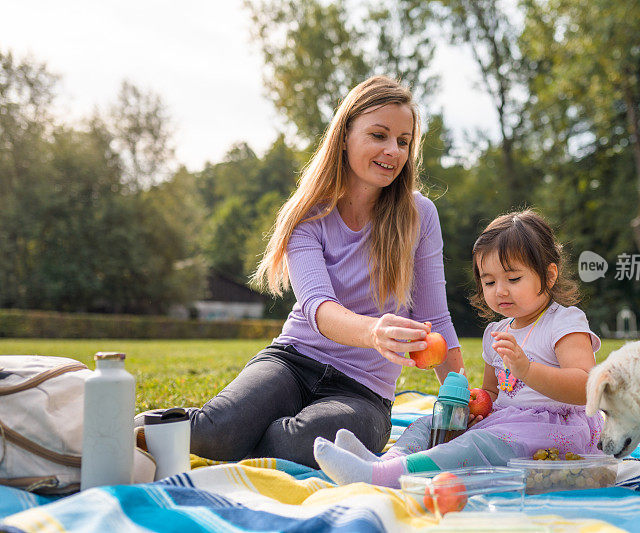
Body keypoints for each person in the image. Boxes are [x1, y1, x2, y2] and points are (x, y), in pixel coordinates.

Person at [137, 76, 463, 468]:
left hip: (363, 394)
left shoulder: (419, 215)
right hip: (292, 361)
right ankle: (111, 430)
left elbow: (435, 318)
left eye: (403, 141)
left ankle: (250, 431)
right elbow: (318, 308)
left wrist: (461, 400)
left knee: (299, 445)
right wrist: (374, 333)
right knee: (213, 432)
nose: (392, 151)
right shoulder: (309, 214)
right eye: (379, 135)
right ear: (344, 136)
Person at [314, 209, 603, 487]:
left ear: (549, 275)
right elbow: (492, 393)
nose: (500, 290)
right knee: (430, 424)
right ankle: (385, 463)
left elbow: (585, 387)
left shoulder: (564, 322)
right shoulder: (497, 332)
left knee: (474, 444)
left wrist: (526, 369)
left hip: (555, 432)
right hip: (506, 426)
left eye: (513, 279)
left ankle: (385, 477)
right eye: (489, 281)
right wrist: (475, 408)